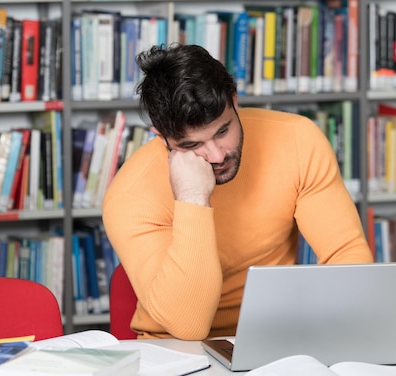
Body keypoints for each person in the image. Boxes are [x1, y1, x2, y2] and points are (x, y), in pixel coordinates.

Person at [102, 44, 373, 340]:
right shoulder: (129, 195)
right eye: (192, 146)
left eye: (222, 131)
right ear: (160, 135)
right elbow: (187, 327)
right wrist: (192, 199)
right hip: (178, 353)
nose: (217, 156)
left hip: (277, 338)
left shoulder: (297, 139)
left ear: (234, 101)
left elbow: (346, 256)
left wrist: (335, 336)